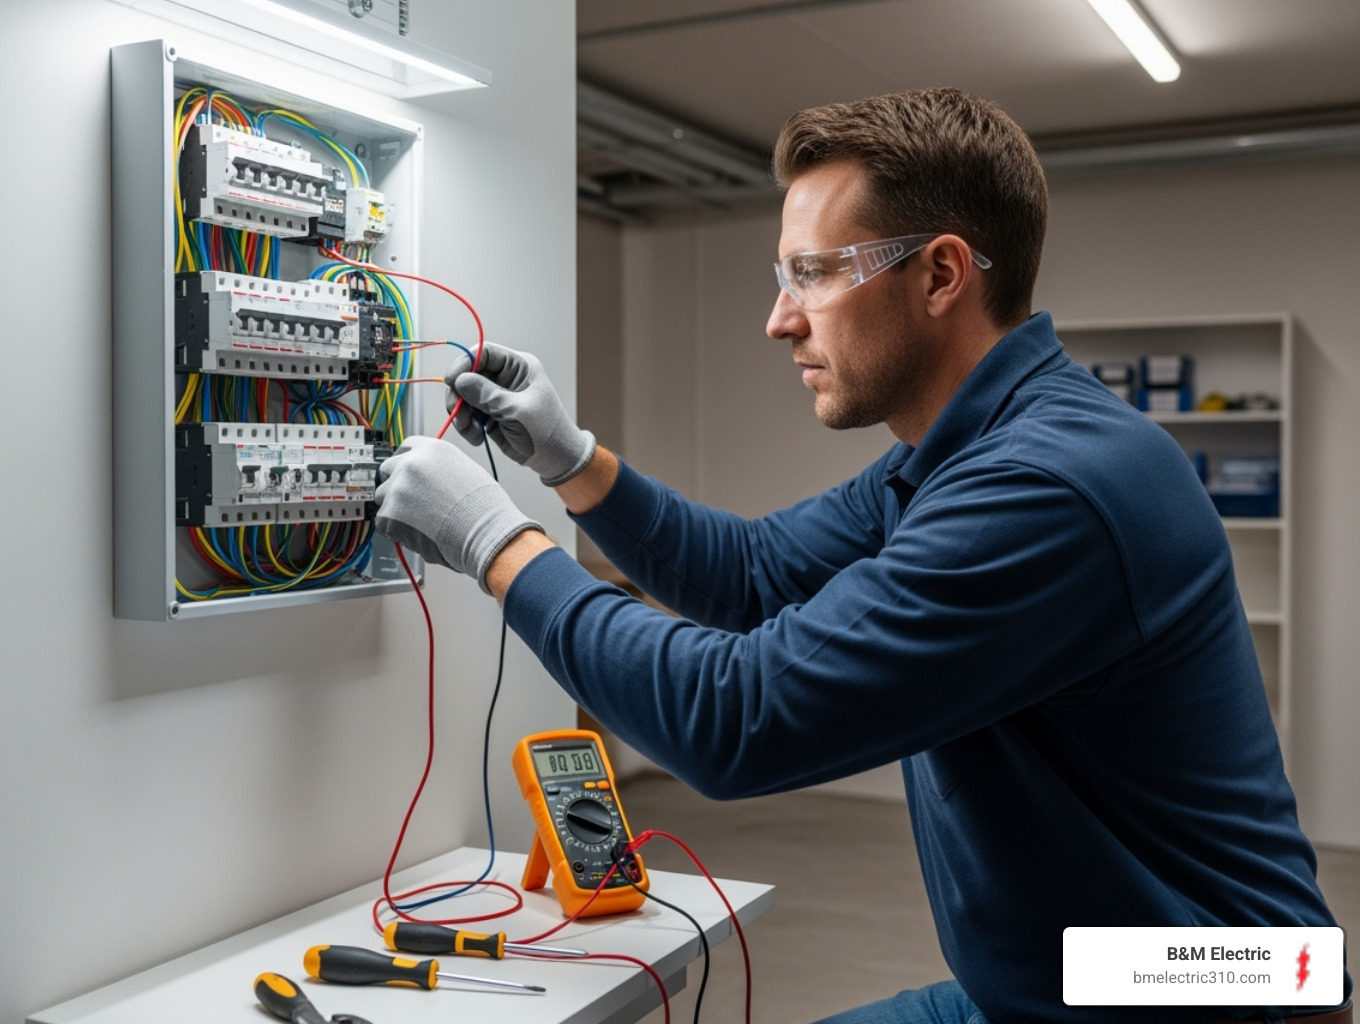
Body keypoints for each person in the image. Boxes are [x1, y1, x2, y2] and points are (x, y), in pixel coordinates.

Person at [372, 88, 1350, 1024]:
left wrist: (493, 540)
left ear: (940, 274)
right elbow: (750, 573)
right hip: (1069, 982)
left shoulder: (1046, 489)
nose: (780, 318)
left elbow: (738, 718)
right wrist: (572, 460)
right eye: (780, 277)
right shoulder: (958, 455)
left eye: (815, 273)